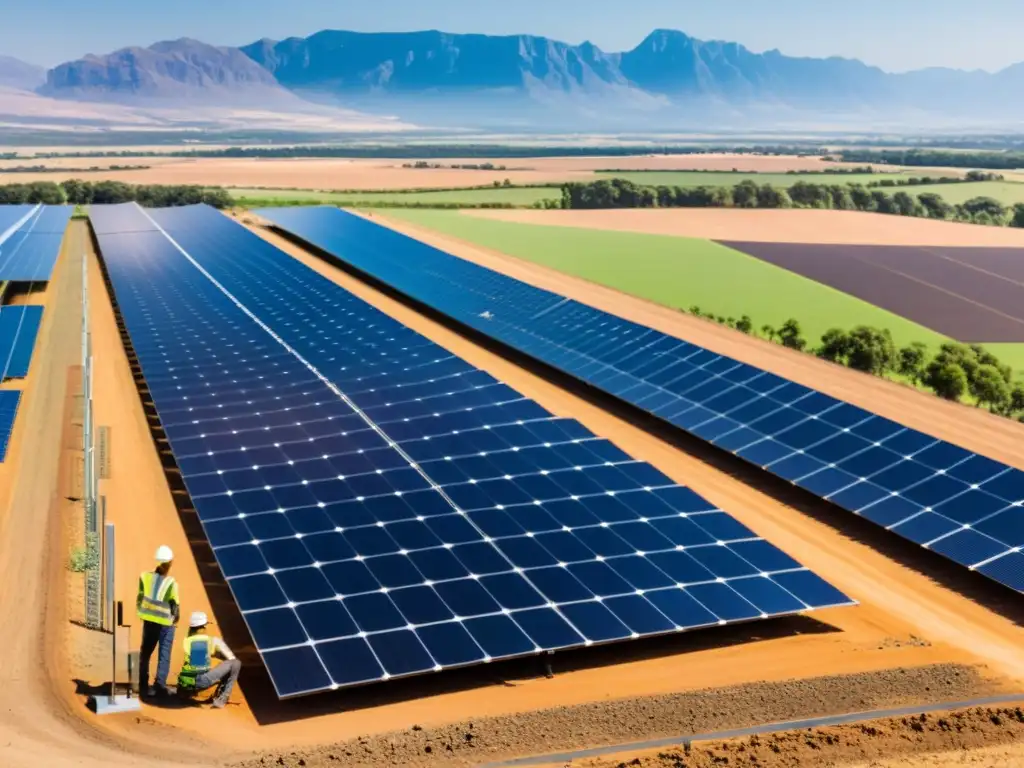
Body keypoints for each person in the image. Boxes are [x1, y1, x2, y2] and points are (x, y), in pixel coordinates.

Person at [137, 545, 180, 698]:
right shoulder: (171, 583)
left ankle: (142, 684)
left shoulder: (144, 577)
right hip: (165, 624)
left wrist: (142, 613)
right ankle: (159, 686)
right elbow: (175, 606)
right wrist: (175, 620)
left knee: (145, 653)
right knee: (164, 654)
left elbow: (140, 597)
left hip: (149, 620)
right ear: (169, 563)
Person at [176, 611, 241, 709]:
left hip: (184, 682)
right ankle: (221, 699)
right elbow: (231, 658)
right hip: (198, 682)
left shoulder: (188, 640)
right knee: (236, 663)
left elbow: (196, 661)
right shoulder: (211, 641)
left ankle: (184, 693)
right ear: (203, 626)